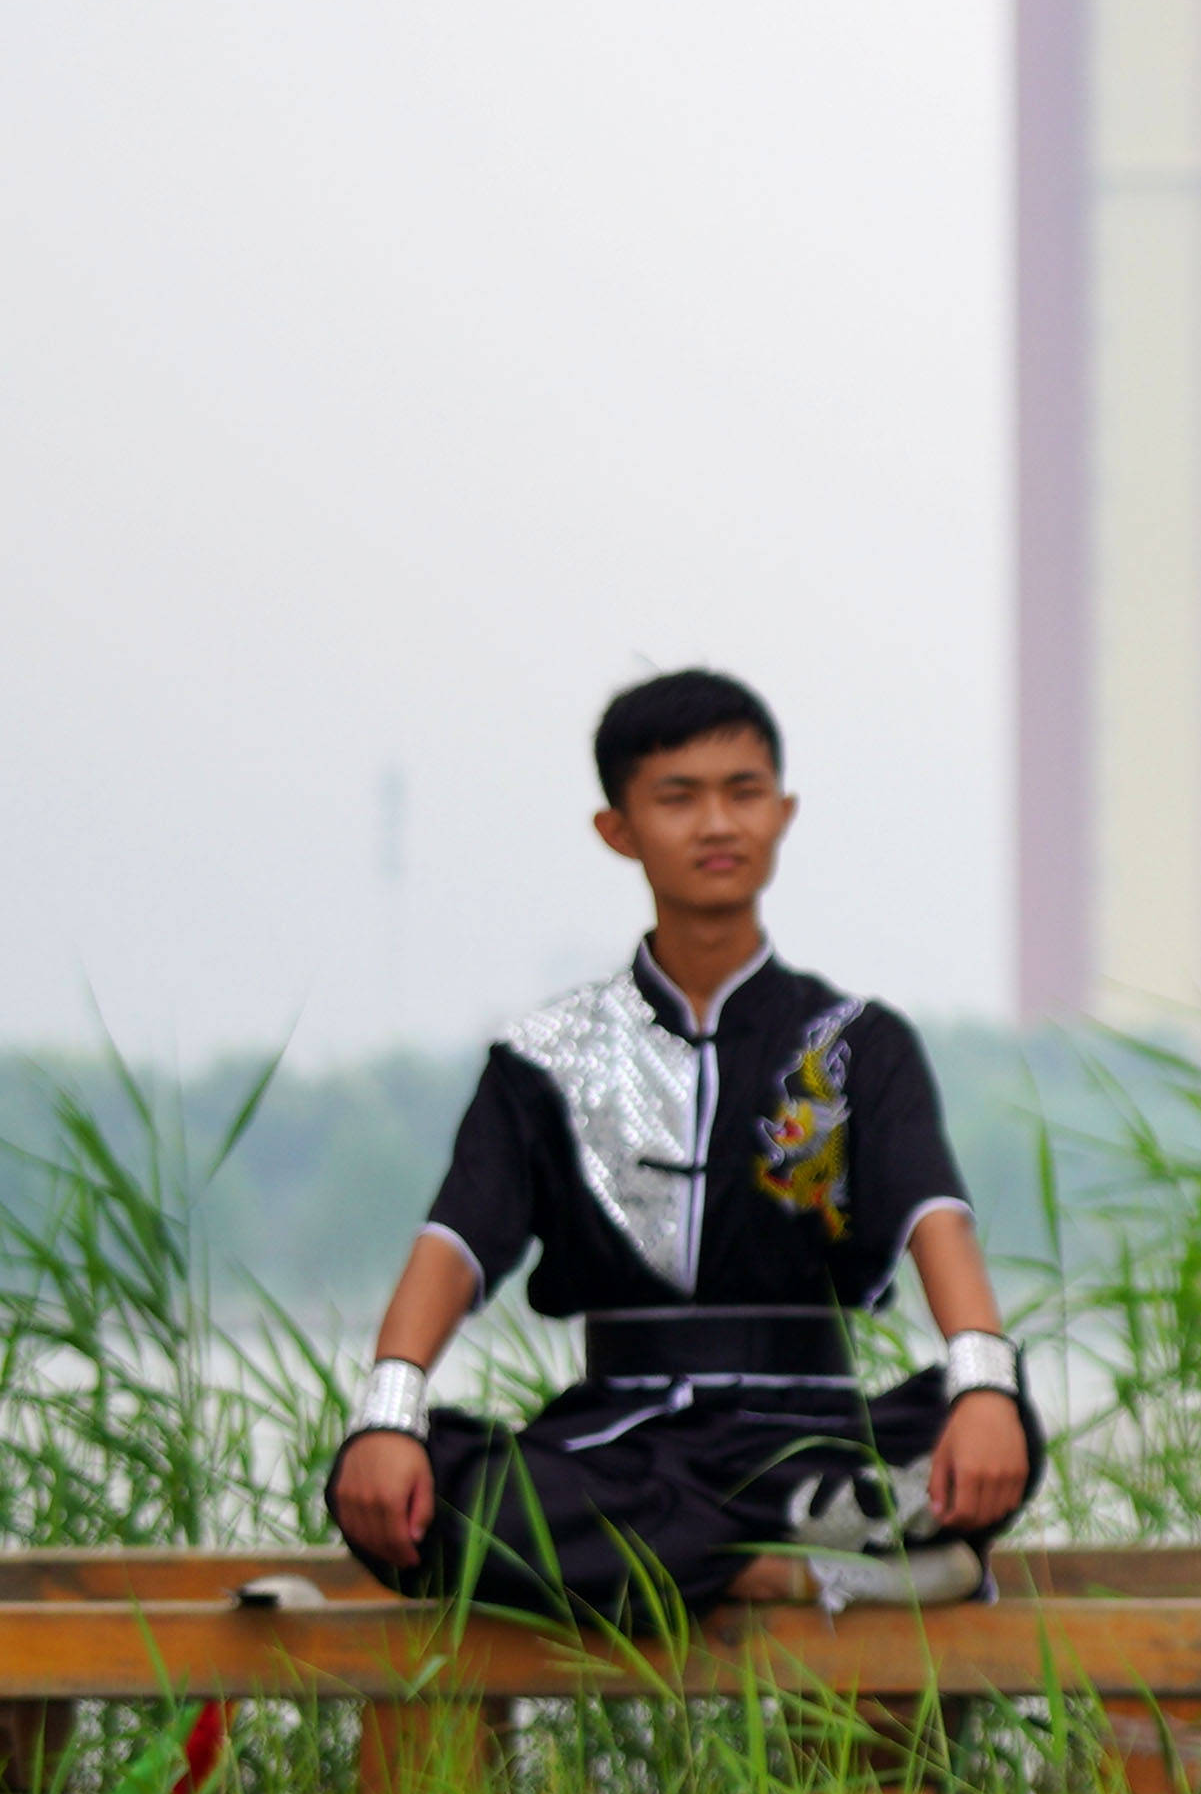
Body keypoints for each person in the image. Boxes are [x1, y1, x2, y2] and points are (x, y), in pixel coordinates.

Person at [324, 671, 1038, 1630]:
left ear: (782, 813)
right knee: (414, 1484)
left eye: (742, 793)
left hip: (815, 1435)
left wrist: (982, 1385)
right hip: (617, 1442)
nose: (716, 823)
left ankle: (749, 1541)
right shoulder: (545, 1056)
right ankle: (779, 1565)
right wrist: (387, 1410)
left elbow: (932, 1216)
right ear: (618, 828)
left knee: (996, 1413)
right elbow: (457, 1238)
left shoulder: (859, 1040)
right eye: (678, 797)